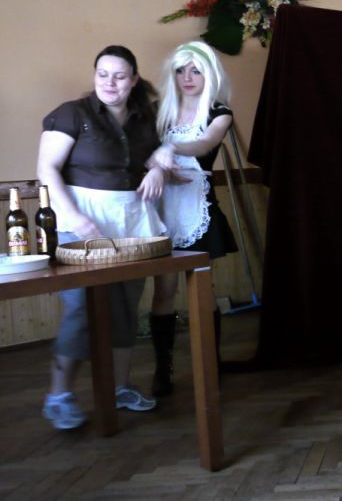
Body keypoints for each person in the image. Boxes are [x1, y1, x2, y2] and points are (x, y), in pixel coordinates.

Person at [36, 45, 167, 429]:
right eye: (103, 74)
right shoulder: (72, 114)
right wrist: (75, 217)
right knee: (81, 306)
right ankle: (58, 396)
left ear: (134, 80)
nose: (110, 82)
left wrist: (158, 169)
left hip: (132, 221)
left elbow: (159, 156)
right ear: (95, 76)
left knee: (125, 306)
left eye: (119, 76)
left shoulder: (145, 119)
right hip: (80, 220)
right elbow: (47, 169)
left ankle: (119, 387)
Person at [145, 41, 238, 396]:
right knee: (164, 290)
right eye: (181, 70)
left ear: (209, 74)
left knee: (202, 289)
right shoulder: (158, 112)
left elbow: (205, 144)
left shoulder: (219, 113)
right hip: (162, 209)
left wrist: (170, 148)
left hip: (198, 207)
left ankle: (211, 362)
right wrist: (157, 166)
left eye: (196, 70)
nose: (188, 77)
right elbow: (140, 151)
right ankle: (163, 368)